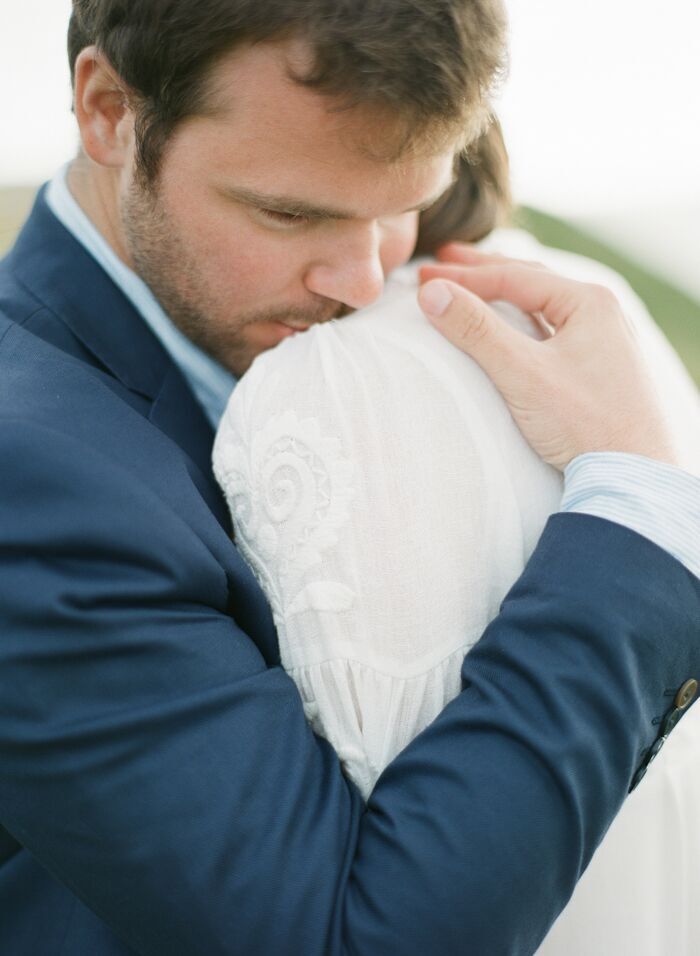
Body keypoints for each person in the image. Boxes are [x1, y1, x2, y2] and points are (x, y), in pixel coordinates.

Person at [0, 2, 698, 954]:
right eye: (290, 213)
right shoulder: (29, 483)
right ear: (110, 112)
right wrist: (635, 505)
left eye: (401, 207)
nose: (363, 281)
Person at [212, 235, 700, 955]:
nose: (361, 278)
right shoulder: (590, 299)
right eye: (280, 214)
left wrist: (635, 496)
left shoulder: (325, 384)